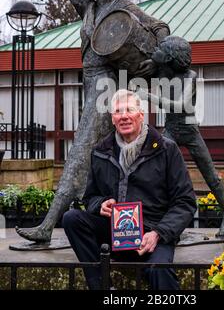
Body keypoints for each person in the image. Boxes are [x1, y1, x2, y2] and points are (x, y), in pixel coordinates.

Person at [16, 0, 170, 243]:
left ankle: (47, 226)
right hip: (91, 86)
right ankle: (99, 220)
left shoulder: (122, 6)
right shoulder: (86, 7)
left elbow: (158, 26)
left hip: (106, 88)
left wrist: (166, 47)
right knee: (95, 156)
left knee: (77, 155)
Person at [63, 89, 197, 290]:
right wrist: (100, 204)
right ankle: (101, 287)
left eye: (129, 110)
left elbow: (185, 202)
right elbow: (90, 197)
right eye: (118, 111)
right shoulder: (101, 151)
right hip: (113, 231)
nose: (124, 116)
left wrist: (159, 233)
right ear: (113, 118)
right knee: (71, 218)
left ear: (141, 114)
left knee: (159, 270)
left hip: (152, 233)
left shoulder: (166, 149)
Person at [135, 36, 224, 237]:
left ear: (171, 56)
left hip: (189, 130)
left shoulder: (190, 76)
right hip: (170, 129)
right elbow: (140, 66)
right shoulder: (161, 71)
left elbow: (182, 106)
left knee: (210, 175)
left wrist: (149, 97)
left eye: (161, 48)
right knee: (156, 172)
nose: (157, 51)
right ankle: (161, 218)